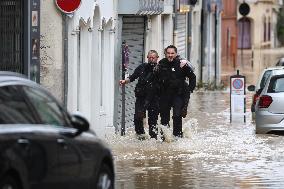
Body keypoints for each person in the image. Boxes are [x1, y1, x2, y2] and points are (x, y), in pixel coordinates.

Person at [119, 50, 160, 140]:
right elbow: (133, 77)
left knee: (152, 121)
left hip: (154, 98)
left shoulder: (160, 69)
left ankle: (153, 139)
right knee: (138, 117)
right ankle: (141, 136)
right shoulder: (142, 67)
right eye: (150, 57)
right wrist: (125, 81)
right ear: (147, 58)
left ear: (157, 58)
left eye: (153, 57)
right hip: (141, 97)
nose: (151, 59)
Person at [157, 45, 196, 138]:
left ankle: (177, 137)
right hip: (165, 95)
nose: (170, 55)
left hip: (178, 95)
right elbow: (156, 78)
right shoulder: (161, 63)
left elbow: (192, 77)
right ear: (165, 54)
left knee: (177, 116)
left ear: (176, 54)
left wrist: (190, 90)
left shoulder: (181, 64)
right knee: (164, 118)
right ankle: (165, 139)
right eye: (168, 53)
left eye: (172, 53)